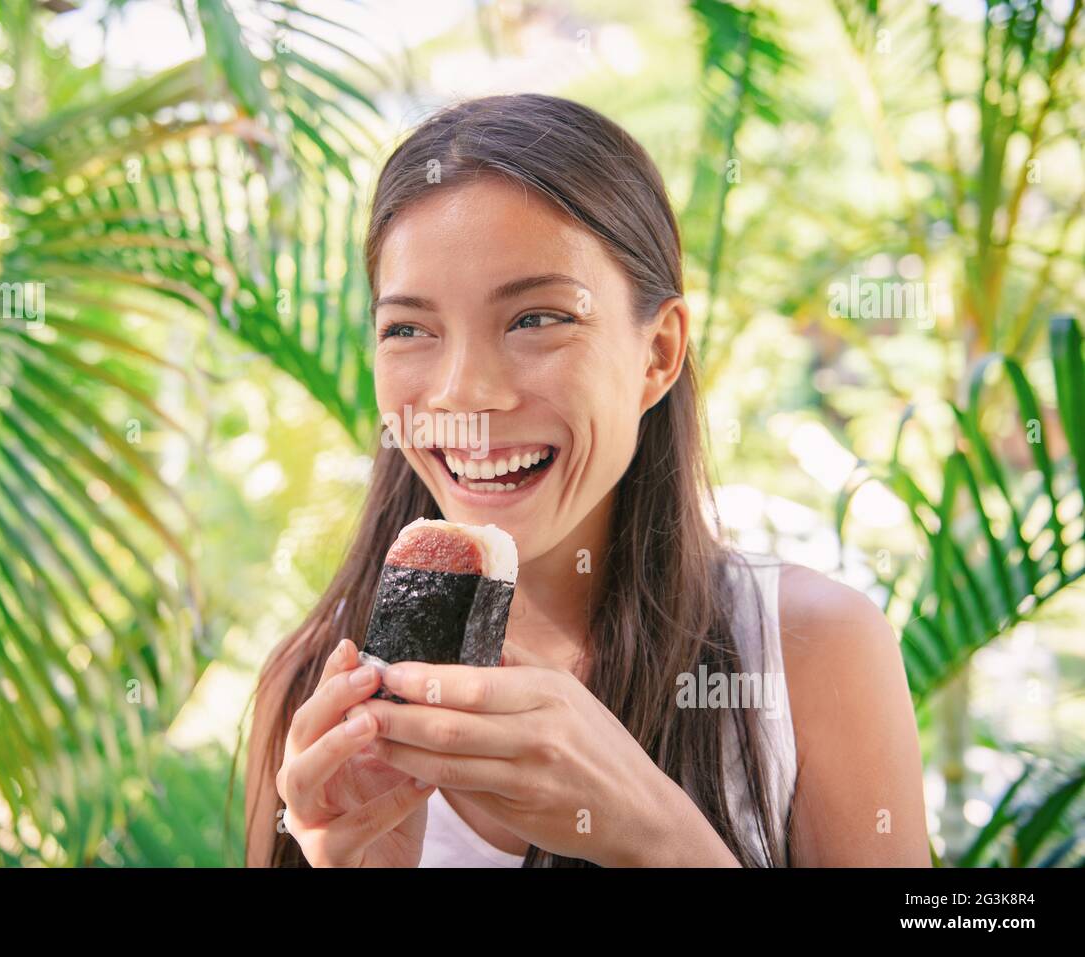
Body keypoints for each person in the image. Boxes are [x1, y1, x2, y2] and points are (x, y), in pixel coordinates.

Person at [242, 93, 929, 867]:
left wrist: (660, 839)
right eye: (408, 328)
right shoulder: (307, 688)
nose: (463, 394)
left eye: (536, 318)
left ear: (658, 354)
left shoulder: (810, 650)